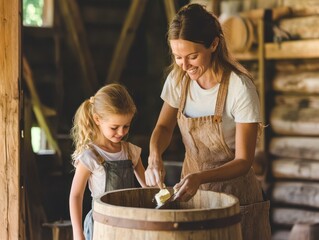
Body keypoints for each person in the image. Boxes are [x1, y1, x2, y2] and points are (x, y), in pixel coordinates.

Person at [145, 3, 271, 240]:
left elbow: (244, 160)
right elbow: (163, 127)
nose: (185, 65)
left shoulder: (240, 88)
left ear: (213, 44)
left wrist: (200, 177)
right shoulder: (178, 79)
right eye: (178, 57)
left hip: (237, 199)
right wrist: (154, 156)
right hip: (192, 198)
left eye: (193, 56)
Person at [69, 83, 147, 240]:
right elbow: (76, 195)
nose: (121, 132)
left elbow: (148, 187)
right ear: (97, 119)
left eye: (126, 126)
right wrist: (78, 234)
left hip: (129, 225)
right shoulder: (90, 156)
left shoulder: (130, 151)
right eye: (114, 127)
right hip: (101, 226)